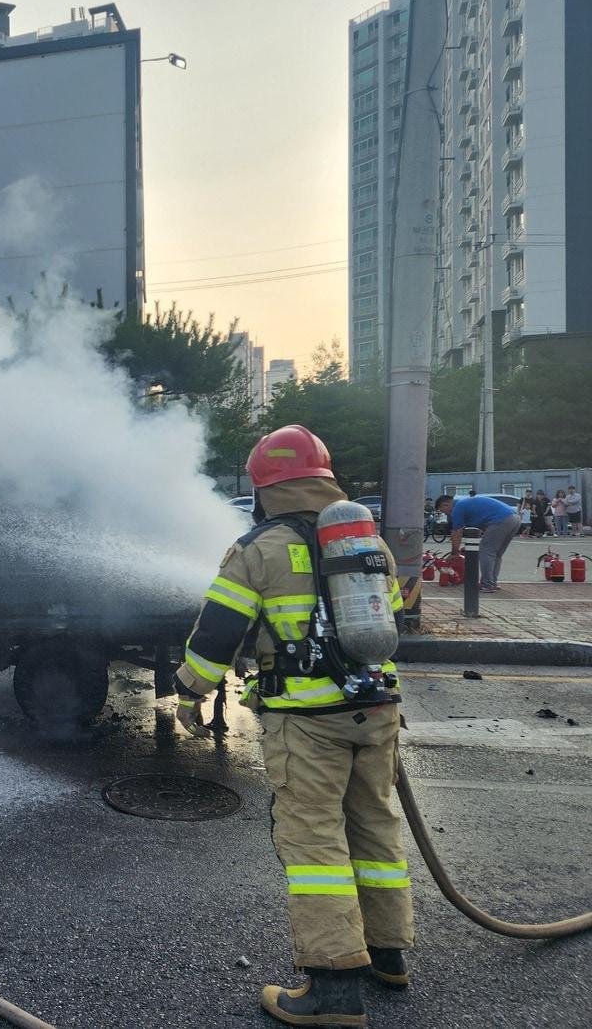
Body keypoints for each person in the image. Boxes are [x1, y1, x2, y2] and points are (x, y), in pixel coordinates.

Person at [174, 425, 411, 1027]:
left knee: (314, 847)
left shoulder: (258, 548)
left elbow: (218, 635)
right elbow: (391, 621)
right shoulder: (368, 545)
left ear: (266, 488)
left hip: (308, 725)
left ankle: (333, 990)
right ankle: (388, 956)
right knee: (375, 828)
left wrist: (190, 690)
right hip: (376, 713)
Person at [435, 492, 520, 591]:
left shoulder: (457, 508)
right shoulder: (465, 503)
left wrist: (454, 553)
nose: (446, 514)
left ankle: (487, 585)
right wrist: (469, 546)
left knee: (486, 551)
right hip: (515, 519)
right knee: (496, 554)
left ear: (446, 504)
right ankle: (492, 582)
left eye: (444, 511)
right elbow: (477, 529)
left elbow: (457, 533)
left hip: (501, 520)